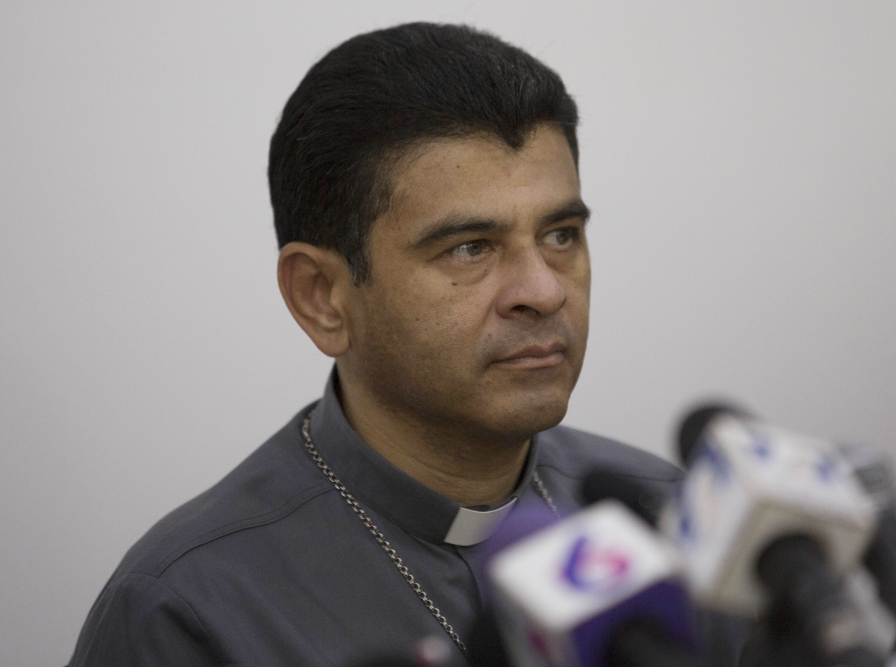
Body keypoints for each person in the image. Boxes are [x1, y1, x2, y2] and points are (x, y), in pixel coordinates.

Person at [69, 22, 738, 667]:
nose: (543, 290)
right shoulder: (187, 609)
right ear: (322, 297)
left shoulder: (676, 520)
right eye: (471, 248)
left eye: (561, 234)